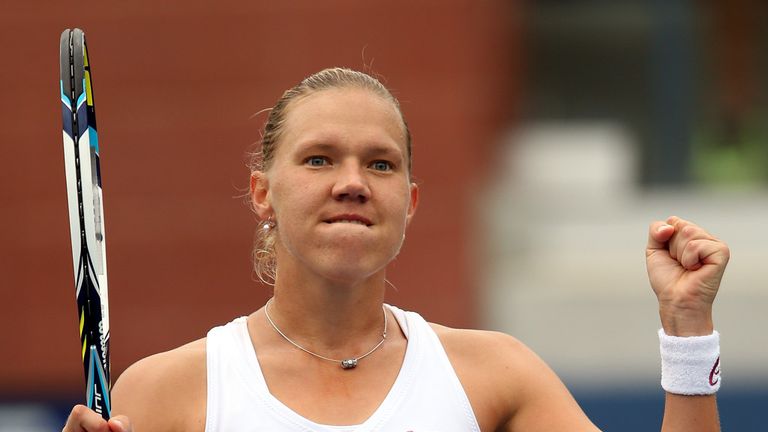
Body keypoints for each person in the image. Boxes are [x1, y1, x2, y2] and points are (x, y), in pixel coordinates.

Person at [63, 68, 730, 432]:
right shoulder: (165, 393)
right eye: (319, 159)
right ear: (263, 193)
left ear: (408, 204)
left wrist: (688, 332)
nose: (352, 183)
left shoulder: (496, 376)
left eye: (380, 164)